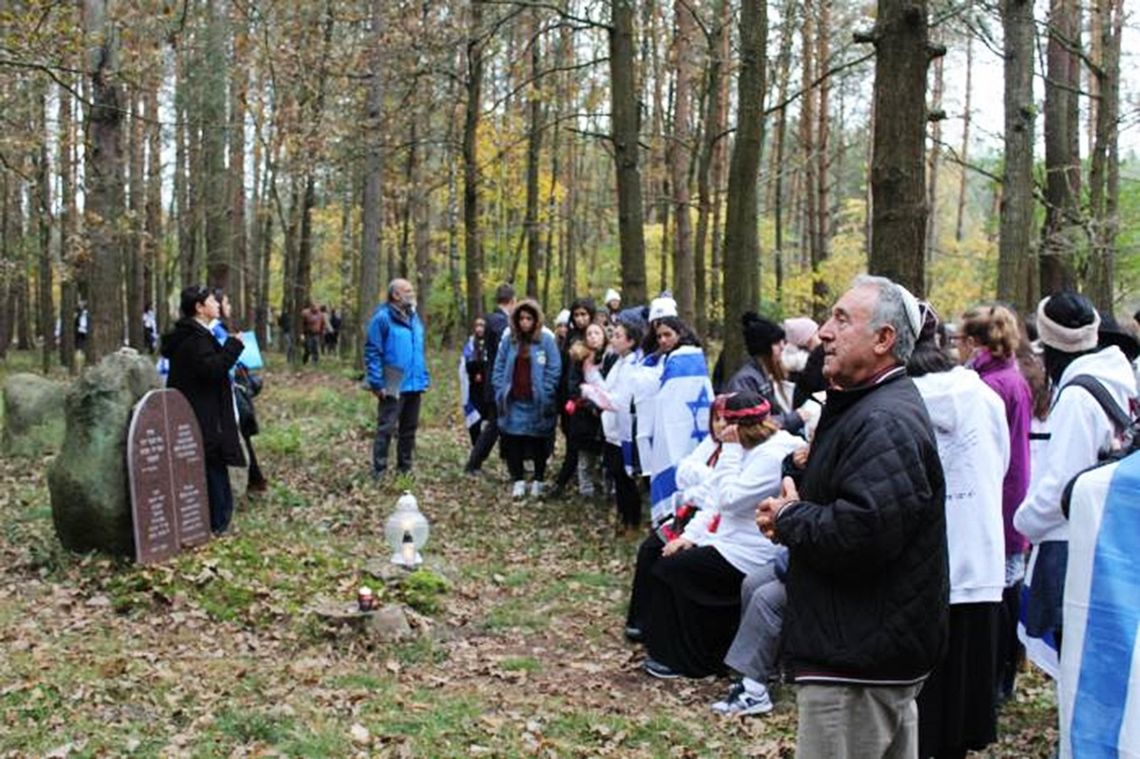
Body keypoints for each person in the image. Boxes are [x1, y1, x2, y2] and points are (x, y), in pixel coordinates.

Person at [757, 275, 947, 759]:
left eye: (842, 319)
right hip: (864, 650)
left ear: (884, 340)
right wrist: (801, 469)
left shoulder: (883, 420)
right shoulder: (865, 406)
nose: (823, 332)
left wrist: (790, 518)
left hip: (857, 663)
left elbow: (861, 534)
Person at [636, 392, 802, 679]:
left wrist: (730, 452)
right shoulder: (746, 448)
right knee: (663, 555)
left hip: (750, 550)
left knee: (675, 571)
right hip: (726, 539)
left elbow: (728, 499)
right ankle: (663, 643)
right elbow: (713, 498)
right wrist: (689, 536)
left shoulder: (770, 455)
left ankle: (692, 660)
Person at [1013, 293, 1136, 666]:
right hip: (1110, 540)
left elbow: (1061, 489)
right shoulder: (1119, 380)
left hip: (1073, 550)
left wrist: (1023, 522)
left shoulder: (1079, 396)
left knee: (1076, 663)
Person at [909, 302, 1009, 759]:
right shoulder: (984, 397)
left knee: (922, 702)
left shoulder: (900, 401)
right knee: (961, 702)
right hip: (979, 554)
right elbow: (1001, 466)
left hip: (925, 562)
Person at [959, 303, 1034, 704]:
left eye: (958, 340)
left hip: (1000, 500)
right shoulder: (1008, 377)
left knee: (1000, 598)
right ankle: (1002, 675)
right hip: (1011, 494)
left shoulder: (991, 385)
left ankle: (998, 678)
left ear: (972, 342)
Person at [161, 286, 246, 535]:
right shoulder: (194, 339)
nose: (217, 304)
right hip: (202, 416)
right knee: (212, 467)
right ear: (199, 307)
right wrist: (232, 346)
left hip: (202, 413)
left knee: (211, 467)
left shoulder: (198, 335)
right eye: (212, 301)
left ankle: (215, 521)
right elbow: (212, 370)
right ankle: (217, 524)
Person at [491, 299, 561, 499]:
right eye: (521, 318)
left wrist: (546, 391)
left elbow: (554, 368)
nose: (524, 322)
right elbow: (499, 365)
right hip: (513, 400)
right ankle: (518, 481)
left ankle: (538, 480)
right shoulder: (509, 340)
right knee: (514, 440)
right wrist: (500, 389)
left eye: (529, 318)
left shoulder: (546, 340)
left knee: (538, 440)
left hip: (537, 401)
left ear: (536, 319)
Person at [363, 279, 431, 479]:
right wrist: (377, 382)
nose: (411, 293)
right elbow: (372, 351)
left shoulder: (414, 318)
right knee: (386, 427)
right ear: (395, 295)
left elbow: (418, 350)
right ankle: (379, 471)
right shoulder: (382, 318)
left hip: (414, 384)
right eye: (407, 291)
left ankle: (404, 469)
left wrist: (423, 376)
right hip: (393, 383)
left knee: (409, 429)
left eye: (412, 290)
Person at [209, 289, 268, 494]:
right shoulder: (215, 330)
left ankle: (254, 479)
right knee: (240, 434)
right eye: (225, 302)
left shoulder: (219, 329)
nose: (227, 307)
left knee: (242, 435)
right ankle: (250, 481)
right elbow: (226, 361)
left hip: (231, 388)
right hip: (228, 391)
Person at [588, 320, 644, 532]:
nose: (613, 339)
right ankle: (623, 516)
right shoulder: (617, 362)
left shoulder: (632, 366)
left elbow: (620, 398)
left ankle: (632, 520)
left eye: (619, 336)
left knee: (625, 477)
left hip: (624, 430)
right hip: (611, 429)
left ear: (630, 342)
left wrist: (598, 395)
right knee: (616, 473)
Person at [465, 284, 516, 476]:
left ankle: (510, 465)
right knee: (496, 425)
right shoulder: (500, 323)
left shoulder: (489, 319)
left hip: (492, 380)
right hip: (498, 381)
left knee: (500, 425)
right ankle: (474, 463)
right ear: (512, 301)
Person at [728, 312, 806, 436]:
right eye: (776, 343)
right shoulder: (746, 381)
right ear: (764, 348)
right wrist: (795, 418)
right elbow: (751, 425)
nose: (782, 347)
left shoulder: (762, 375)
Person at [460, 317, 489, 446]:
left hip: (488, 388)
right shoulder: (470, 345)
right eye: (477, 325)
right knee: (475, 422)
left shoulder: (492, 343)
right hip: (473, 388)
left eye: (482, 325)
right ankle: (476, 448)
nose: (479, 329)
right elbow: (466, 365)